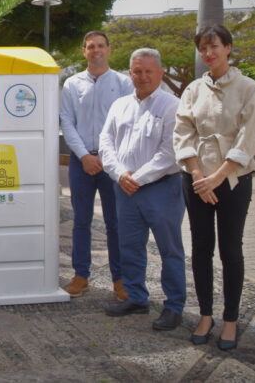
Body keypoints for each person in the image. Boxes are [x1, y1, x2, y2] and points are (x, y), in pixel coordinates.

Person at [174, 24, 255, 350]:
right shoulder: (193, 89)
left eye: (214, 46)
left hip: (234, 180)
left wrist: (218, 176)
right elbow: (183, 132)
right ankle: (205, 315)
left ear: (228, 47)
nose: (208, 53)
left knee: (230, 249)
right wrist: (199, 175)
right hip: (196, 180)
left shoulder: (247, 87)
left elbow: (249, 135)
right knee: (200, 248)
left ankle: (230, 320)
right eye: (203, 48)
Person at [99, 49, 186, 330]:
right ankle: (136, 297)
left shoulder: (172, 106)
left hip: (162, 188)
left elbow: (170, 152)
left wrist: (136, 177)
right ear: (130, 74)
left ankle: (174, 306)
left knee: (169, 249)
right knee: (129, 246)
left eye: (149, 71)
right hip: (125, 188)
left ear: (160, 73)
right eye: (137, 71)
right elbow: (106, 143)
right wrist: (120, 174)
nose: (143, 76)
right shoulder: (120, 105)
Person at [60, 31, 133, 299]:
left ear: (109, 49)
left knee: (115, 222)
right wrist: (84, 156)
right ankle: (81, 275)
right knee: (81, 220)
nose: (96, 50)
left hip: (112, 163)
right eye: (91, 47)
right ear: (84, 51)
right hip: (81, 162)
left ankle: (120, 279)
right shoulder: (72, 84)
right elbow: (66, 122)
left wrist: (106, 157)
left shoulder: (123, 83)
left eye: (101, 46)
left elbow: (127, 123)